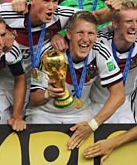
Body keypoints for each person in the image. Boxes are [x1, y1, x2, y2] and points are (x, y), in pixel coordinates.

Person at [27, 11, 123, 150]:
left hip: (80, 114)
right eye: (80, 33)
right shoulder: (49, 53)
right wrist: (47, 94)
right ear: (69, 34)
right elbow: (34, 100)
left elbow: (119, 94)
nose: (85, 39)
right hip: (45, 114)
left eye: (91, 34)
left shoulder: (100, 51)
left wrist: (92, 124)